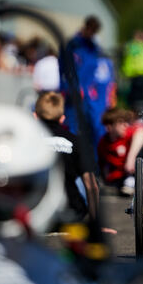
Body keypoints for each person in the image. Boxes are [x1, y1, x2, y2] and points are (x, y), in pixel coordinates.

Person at [34, 91, 98, 221]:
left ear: (35, 116)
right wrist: (95, 224)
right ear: (62, 118)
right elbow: (91, 186)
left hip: (38, 214)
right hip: (71, 213)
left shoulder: (27, 142)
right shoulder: (77, 142)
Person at [65, 15, 116, 147]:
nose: (92, 34)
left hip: (92, 97)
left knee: (96, 129)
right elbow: (65, 70)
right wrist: (73, 88)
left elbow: (100, 76)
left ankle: (95, 164)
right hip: (75, 94)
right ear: (86, 27)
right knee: (73, 128)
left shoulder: (94, 48)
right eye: (91, 30)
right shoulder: (73, 45)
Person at [97, 108, 143, 196]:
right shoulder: (103, 143)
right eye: (121, 123)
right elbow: (102, 164)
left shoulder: (127, 134)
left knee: (141, 149)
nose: (125, 125)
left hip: (132, 172)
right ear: (109, 127)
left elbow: (142, 132)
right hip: (117, 179)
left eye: (126, 122)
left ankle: (134, 182)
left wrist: (131, 158)